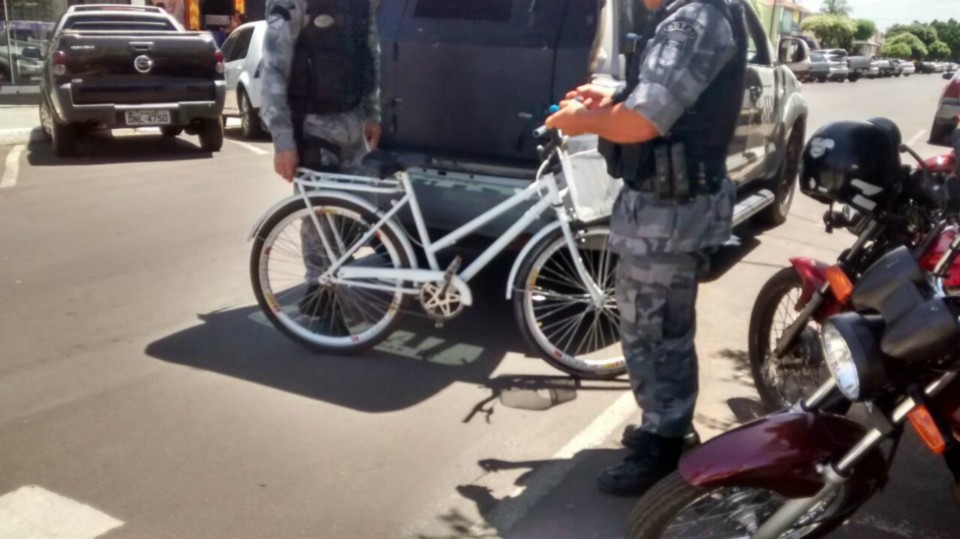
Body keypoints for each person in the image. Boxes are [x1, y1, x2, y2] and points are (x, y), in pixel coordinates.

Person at [546, 0, 747, 497]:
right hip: (662, 211)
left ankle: (664, 443)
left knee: (655, 334)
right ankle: (664, 423)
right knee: (653, 329)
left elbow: (642, 121)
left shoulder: (693, 19)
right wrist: (611, 94)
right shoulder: (689, 16)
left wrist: (582, 120)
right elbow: (674, 99)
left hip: (670, 215)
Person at [260, 0, 382, 316]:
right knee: (319, 216)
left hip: (353, 123)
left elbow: (370, 52)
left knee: (361, 209)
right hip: (311, 125)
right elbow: (273, 68)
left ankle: (338, 273)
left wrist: (373, 113)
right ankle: (319, 291)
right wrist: (283, 141)